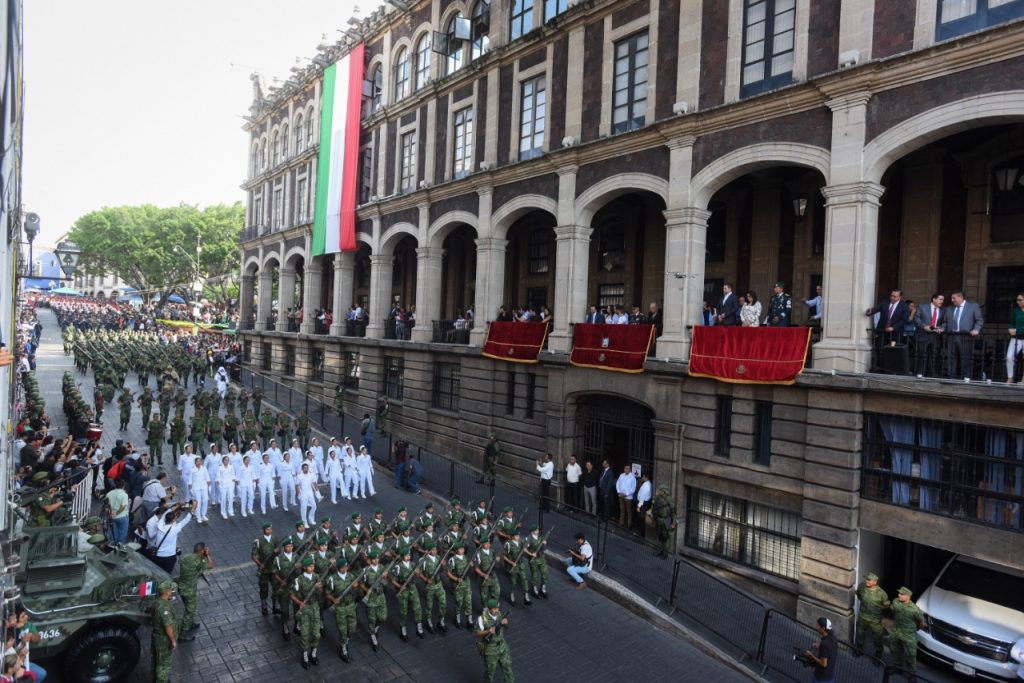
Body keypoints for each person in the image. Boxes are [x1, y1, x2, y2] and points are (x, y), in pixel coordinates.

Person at [325, 556, 359, 663]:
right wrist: (333, 599)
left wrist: (355, 587)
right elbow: (327, 593)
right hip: (340, 608)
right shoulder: (332, 579)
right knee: (342, 629)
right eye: (343, 567)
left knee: (352, 628)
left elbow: (356, 591)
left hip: (350, 605)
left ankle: (345, 641)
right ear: (338, 568)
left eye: (346, 566)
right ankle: (343, 648)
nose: (345, 568)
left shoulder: (351, 576)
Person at [177, 542, 213, 640]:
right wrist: (208, 555)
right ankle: (182, 635)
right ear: (202, 551)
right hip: (189, 590)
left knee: (188, 607)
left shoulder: (186, 557)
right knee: (190, 611)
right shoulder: (199, 562)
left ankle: (190, 624)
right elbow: (210, 565)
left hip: (181, 587)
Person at [945, 290, 984, 380]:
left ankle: (965, 377)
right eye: (952, 298)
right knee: (951, 357)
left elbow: (979, 320)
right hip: (952, 335)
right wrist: (942, 328)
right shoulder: (949, 308)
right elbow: (945, 322)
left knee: (965, 357)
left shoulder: (972, 306)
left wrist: (976, 329)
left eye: (954, 298)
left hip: (965, 336)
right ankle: (952, 376)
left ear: (961, 297)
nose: (952, 300)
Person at [292, 555, 322, 669]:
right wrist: (299, 602)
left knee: (316, 634)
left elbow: (320, 591)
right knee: (304, 634)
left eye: (313, 566)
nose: (312, 568)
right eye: (310, 566)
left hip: (314, 607)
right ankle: (305, 655)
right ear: (304, 568)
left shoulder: (317, 577)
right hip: (304, 609)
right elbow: (292, 594)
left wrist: (319, 588)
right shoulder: (298, 580)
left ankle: (313, 654)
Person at [475, 598, 514, 683]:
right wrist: (488, 631)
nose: (497, 610)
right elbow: (477, 633)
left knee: (508, 668)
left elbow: (504, 627)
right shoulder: (482, 619)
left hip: (502, 647)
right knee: (490, 672)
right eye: (494, 608)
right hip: (490, 650)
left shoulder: (499, 614)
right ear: (489, 609)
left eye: (497, 608)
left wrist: (505, 623)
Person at [151, 500, 196, 573]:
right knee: (167, 574)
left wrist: (178, 505)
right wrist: (193, 507)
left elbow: (166, 512)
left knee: (157, 573)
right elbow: (186, 520)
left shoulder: (160, 524)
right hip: (169, 556)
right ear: (173, 520)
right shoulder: (175, 529)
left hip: (158, 555)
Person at [890, 586, 926, 673]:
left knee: (911, 655)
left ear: (908, 596)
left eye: (902, 594)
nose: (899, 595)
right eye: (899, 593)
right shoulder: (895, 602)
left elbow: (921, 623)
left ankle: (912, 674)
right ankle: (897, 667)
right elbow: (893, 611)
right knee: (895, 650)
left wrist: (914, 629)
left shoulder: (914, 609)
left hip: (909, 635)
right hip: (896, 632)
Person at [855, 571, 890, 658]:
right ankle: (859, 650)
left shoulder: (881, 593)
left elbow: (886, 604)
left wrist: (879, 608)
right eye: (866, 579)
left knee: (877, 637)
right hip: (863, 616)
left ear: (875, 582)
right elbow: (859, 595)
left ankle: (878, 654)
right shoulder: (862, 587)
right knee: (860, 633)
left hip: (875, 619)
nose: (867, 581)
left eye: (869, 580)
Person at [150, 580, 178, 683]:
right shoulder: (164, 608)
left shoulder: (157, 602)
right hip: (163, 640)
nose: (172, 591)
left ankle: (155, 678)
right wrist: (173, 640)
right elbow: (168, 626)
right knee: (164, 663)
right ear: (166, 592)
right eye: (170, 590)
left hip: (156, 637)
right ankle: (162, 680)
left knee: (156, 659)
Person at [913, 293, 945, 378]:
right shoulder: (922, 307)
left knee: (934, 356)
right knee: (922, 354)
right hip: (923, 334)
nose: (942, 301)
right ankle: (920, 372)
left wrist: (942, 327)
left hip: (935, 336)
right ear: (934, 299)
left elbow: (945, 322)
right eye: (940, 299)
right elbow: (916, 319)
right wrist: (924, 326)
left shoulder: (943, 310)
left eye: (942, 300)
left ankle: (932, 374)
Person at [252, 521, 279, 616]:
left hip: (273, 569)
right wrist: (260, 564)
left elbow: (279, 550)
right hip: (264, 570)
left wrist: (277, 551)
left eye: (271, 529)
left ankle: (275, 606)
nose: (270, 531)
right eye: (268, 529)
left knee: (275, 587)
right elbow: (253, 556)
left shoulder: (274, 538)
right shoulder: (258, 541)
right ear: (263, 530)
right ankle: (264, 606)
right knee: (264, 588)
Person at [803, 617, 837, 683]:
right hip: (830, 676)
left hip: (821, 678)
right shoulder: (833, 640)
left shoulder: (824, 644)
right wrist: (820, 646)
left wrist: (811, 655)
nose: (817, 628)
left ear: (823, 628)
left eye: (818, 626)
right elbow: (829, 651)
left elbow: (824, 664)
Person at [652, 484, 676, 558]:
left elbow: (673, 512)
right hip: (658, 519)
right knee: (659, 536)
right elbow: (654, 509)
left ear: (664, 491)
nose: (659, 491)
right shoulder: (657, 498)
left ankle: (665, 553)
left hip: (667, 520)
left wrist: (673, 522)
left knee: (666, 537)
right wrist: (653, 519)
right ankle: (659, 550)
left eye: (660, 490)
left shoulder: (669, 499)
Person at [105, 478, 130, 545]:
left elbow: (106, 506)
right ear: (123, 486)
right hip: (122, 516)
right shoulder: (124, 494)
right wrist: (116, 513)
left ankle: (113, 545)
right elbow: (123, 506)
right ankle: (120, 546)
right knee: (122, 533)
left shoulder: (109, 493)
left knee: (114, 532)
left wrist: (109, 514)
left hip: (112, 516)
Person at [1006, 292, 1024, 383]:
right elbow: (1012, 322)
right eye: (1017, 300)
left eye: (1020, 300)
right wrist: (1010, 329)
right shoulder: (1016, 310)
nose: (1018, 302)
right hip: (1016, 337)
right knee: (1009, 357)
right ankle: (1010, 377)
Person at [635, 474, 652, 538]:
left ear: (645, 477)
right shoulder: (649, 484)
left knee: (641, 518)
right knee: (642, 518)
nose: (642, 478)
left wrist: (639, 506)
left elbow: (642, 496)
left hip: (642, 503)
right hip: (644, 503)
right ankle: (642, 532)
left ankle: (641, 533)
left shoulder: (646, 485)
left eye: (643, 477)